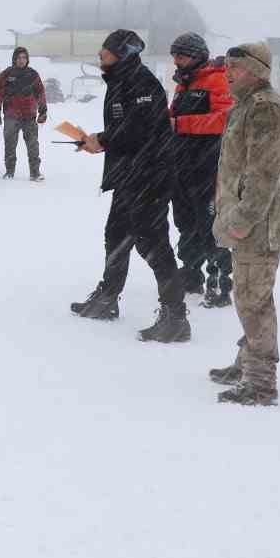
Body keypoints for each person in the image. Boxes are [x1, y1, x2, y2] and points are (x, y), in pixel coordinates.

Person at [68, 29, 190, 342]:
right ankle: (107, 298)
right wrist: (100, 141)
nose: (100, 55)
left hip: (150, 175)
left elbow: (140, 129)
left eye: (105, 51)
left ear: (121, 53)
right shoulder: (121, 79)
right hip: (129, 175)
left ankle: (175, 317)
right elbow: (126, 129)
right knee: (117, 235)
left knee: (152, 243)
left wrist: (103, 140)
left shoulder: (141, 82)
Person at [210, 42, 280, 406]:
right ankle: (247, 362)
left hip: (261, 224)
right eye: (228, 66)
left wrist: (242, 220)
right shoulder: (245, 106)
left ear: (257, 71)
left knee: (253, 298)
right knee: (248, 294)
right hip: (247, 220)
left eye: (236, 67)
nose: (228, 73)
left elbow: (264, 174)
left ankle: (261, 382)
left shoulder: (265, 109)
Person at [166, 33, 234, 306]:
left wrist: (181, 124)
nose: (177, 62)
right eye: (175, 57)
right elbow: (173, 117)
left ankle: (219, 281)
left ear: (196, 56)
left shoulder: (217, 79)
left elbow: (223, 119)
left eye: (181, 56)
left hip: (208, 165)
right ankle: (191, 273)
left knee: (210, 224)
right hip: (181, 164)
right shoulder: (183, 84)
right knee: (185, 222)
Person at [0, 47, 47, 181]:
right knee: (10, 144)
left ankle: (35, 172)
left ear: (27, 59)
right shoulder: (6, 74)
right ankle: (9, 171)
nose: (21, 60)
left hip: (29, 115)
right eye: (19, 58)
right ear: (14, 59)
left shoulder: (33, 74)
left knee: (33, 145)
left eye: (24, 58)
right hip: (11, 115)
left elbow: (40, 92)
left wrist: (43, 110)